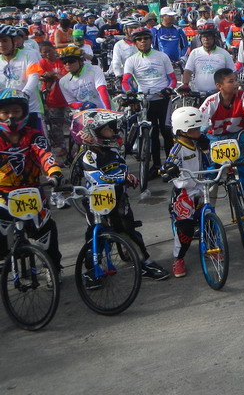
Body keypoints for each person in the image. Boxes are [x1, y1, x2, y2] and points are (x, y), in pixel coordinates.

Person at [76, 109, 169, 283]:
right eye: (107, 129)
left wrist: (128, 177)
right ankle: (92, 269)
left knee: (128, 230)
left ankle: (144, 262)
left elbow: (122, 168)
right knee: (95, 234)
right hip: (96, 199)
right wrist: (121, 178)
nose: (112, 132)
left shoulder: (113, 152)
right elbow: (96, 177)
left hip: (118, 197)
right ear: (94, 133)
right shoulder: (88, 156)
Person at [0, 88, 64, 280]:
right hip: (3, 193)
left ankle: (53, 268)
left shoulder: (35, 136)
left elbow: (46, 156)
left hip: (32, 191)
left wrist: (55, 173)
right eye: (5, 112)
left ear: (24, 112)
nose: (11, 117)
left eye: (15, 111)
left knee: (47, 228)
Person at [199, 68, 244, 219]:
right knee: (212, 173)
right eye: (231, 81)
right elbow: (199, 118)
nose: (236, 84)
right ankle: (208, 208)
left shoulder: (243, 95)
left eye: (236, 80)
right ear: (219, 86)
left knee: (241, 165)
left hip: (236, 136)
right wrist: (201, 128)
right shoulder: (211, 101)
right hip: (215, 139)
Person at [161, 106, 212, 278]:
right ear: (182, 131)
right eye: (194, 129)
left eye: (198, 128)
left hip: (201, 186)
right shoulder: (177, 149)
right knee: (185, 230)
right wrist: (169, 169)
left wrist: (207, 149)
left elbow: (209, 161)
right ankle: (178, 258)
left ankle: (212, 246)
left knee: (209, 219)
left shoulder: (199, 143)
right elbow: (169, 163)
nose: (198, 131)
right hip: (184, 192)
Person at [121, 28, 177, 176]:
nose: (143, 41)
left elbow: (173, 79)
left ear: (151, 40)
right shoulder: (131, 60)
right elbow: (125, 81)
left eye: (146, 38)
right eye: (139, 39)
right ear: (135, 43)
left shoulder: (162, 56)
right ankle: (156, 165)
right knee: (152, 134)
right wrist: (129, 93)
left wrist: (168, 89)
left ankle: (170, 164)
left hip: (163, 99)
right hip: (145, 101)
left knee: (166, 132)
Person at [0, 25, 43, 130]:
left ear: (14, 41)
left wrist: (24, 95)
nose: (1, 44)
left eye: (5, 41)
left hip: (31, 108)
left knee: (37, 138)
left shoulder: (29, 54)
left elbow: (33, 76)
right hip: (6, 112)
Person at [32, 42, 69, 159]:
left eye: (49, 50)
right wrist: (55, 75)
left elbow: (65, 77)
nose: (48, 54)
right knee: (56, 127)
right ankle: (62, 148)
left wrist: (52, 74)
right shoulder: (41, 63)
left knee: (71, 124)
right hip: (52, 100)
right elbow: (40, 76)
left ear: (53, 49)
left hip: (67, 98)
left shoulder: (62, 61)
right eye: (44, 52)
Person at [182, 24, 235, 96]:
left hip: (218, 94)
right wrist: (185, 84)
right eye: (203, 36)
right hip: (198, 94)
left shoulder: (224, 53)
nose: (206, 39)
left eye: (209, 36)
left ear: (215, 38)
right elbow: (188, 71)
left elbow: (233, 73)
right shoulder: (195, 53)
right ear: (200, 38)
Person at [58, 45, 111, 111]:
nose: (67, 64)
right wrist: (82, 104)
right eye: (64, 62)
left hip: (104, 109)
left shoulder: (94, 69)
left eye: (71, 61)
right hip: (85, 114)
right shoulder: (63, 82)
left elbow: (102, 90)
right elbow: (71, 102)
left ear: (81, 61)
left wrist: (108, 111)